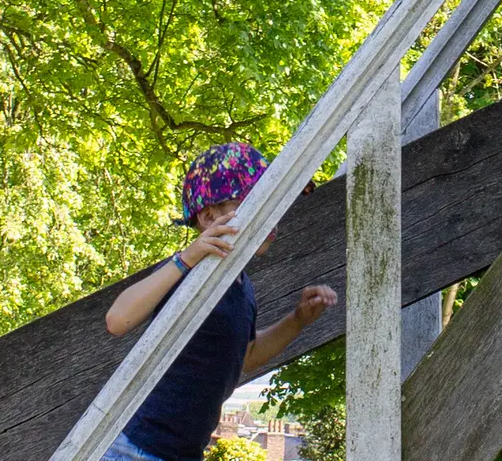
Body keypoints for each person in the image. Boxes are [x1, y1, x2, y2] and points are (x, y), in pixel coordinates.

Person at [102, 142, 338, 461]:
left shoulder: (243, 288)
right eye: (255, 203)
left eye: (276, 205)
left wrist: (297, 320)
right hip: (135, 448)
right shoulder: (190, 271)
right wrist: (187, 257)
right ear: (209, 216)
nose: (271, 217)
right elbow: (118, 320)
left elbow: (245, 357)